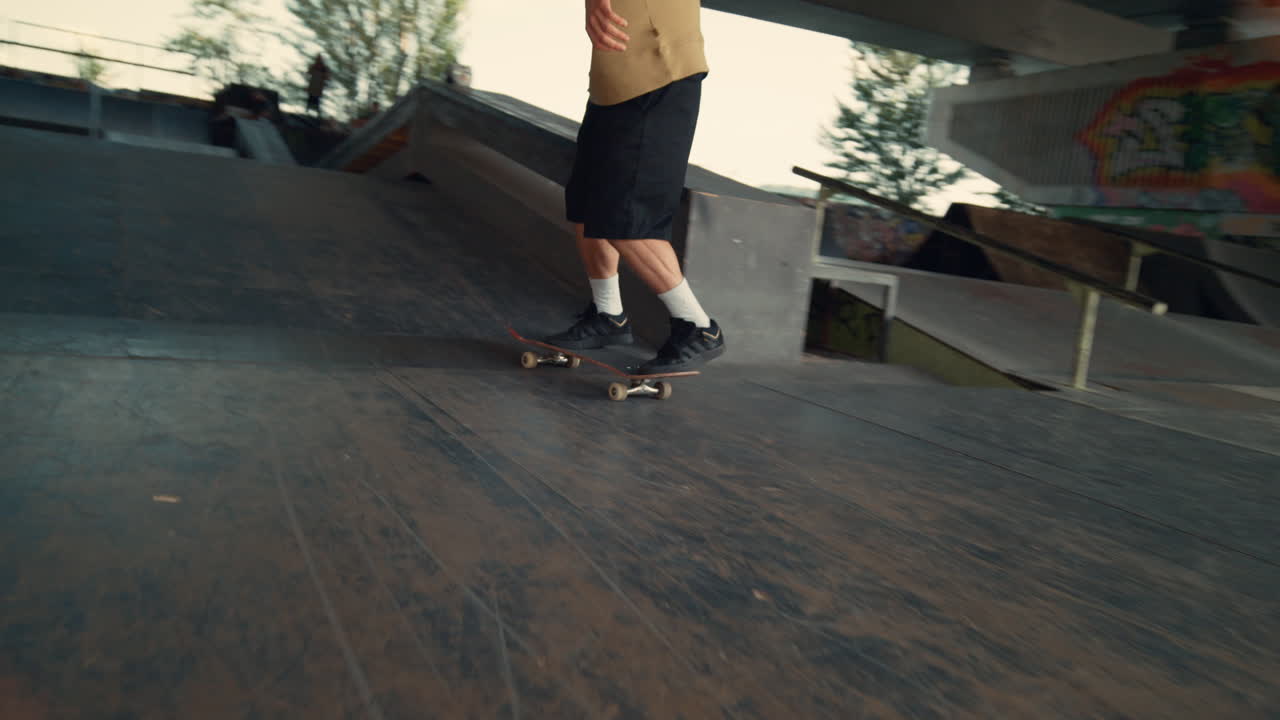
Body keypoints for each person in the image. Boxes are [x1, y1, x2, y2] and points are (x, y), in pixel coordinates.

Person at [548, 0, 724, 373]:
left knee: (628, 219)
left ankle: (698, 328)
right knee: (586, 207)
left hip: (661, 74)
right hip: (611, 87)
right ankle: (608, 314)